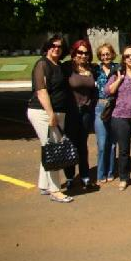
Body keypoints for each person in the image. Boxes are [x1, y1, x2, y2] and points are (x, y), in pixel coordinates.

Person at [27, 34, 74, 203]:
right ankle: (55, 190)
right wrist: (50, 114)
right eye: (53, 45)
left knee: (48, 147)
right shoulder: (42, 64)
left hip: (58, 112)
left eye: (59, 46)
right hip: (42, 112)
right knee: (53, 149)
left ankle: (44, 185)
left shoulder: (58, 65)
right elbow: (41, 91)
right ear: (47, 46)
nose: (56, 48)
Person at [105, 46, 131, 191]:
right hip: (120, 116)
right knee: (123, 150)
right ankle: (124, 177)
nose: (130, 58)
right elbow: (107, 91)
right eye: (127, 56)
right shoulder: (117, 74)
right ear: (123, 58)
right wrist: (119, 79)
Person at [62, 40, 97, 190]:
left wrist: (90, 104)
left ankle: (85, 176)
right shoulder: (66, 68)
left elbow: (95, 90)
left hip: (85, 113)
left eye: (86, 52)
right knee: (70, 145)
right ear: (74, 53)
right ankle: (70, 177)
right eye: (80, 52)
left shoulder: (92, 69)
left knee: (82, 145)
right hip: (70, 112)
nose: (83, 55)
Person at [93, 43, 118, 184]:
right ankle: (101, 173)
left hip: (115, 106)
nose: (105, 57)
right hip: (100, 106)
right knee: (102, 143)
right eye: (102, 54)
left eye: (108, 53)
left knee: (113, 144)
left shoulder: (118, 68)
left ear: (112, 54)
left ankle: (110, 171)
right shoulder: (95, 69)